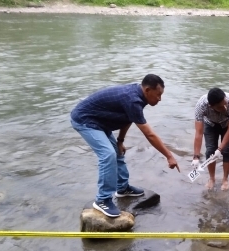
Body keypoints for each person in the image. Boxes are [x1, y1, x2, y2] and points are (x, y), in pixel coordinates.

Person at [71, 74, 180, 218]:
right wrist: (169, 156)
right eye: (158, 95)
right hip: (85, 120)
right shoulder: (133, 99)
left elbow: (128, 117)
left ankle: (122, 188)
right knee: (108, 154)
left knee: (117, 151)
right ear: (147, 90)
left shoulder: (139, 96)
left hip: (100, 122)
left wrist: (120, 141)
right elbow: (150, 135)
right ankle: (102, 199)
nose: (160, 99)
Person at [192, 88, 229, 191]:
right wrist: (196, 157)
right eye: (221, 107)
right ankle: (212, 178)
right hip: (210, 124)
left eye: (225, 103)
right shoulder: (201, 106)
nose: (225, 107)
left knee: (227, 150)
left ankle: (225, 179)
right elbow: (199, 133)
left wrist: (220, 149)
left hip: (227, 125)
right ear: (211, 106)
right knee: (210, 150)